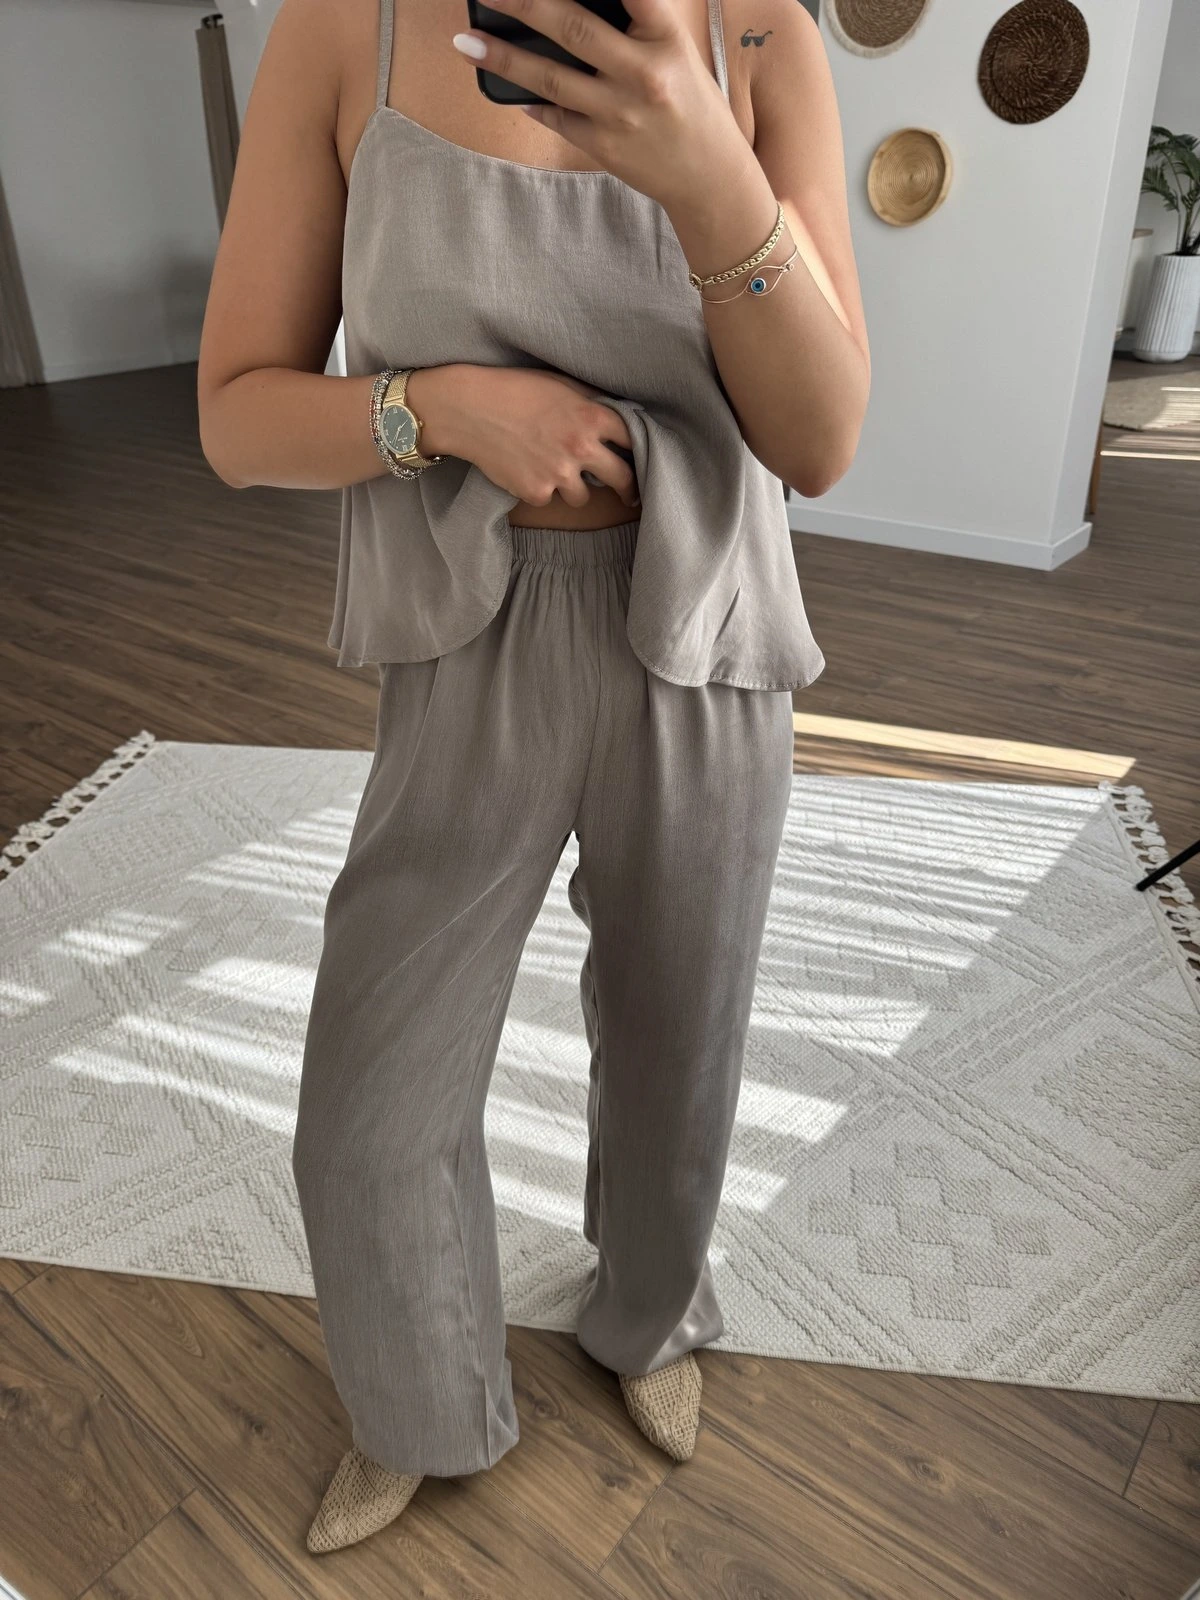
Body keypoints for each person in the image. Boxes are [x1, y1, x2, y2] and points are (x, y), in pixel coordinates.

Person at [197, 0, 869, 1556]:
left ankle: (649, 1316)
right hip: (462, 644)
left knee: (677, 1044)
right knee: (370, 1102)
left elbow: (823, 440)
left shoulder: (760, 35)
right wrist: (432, 408)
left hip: (701, 640)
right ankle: (422, 1402)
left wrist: (709, 173)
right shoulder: (342, 30)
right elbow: (236, 417)